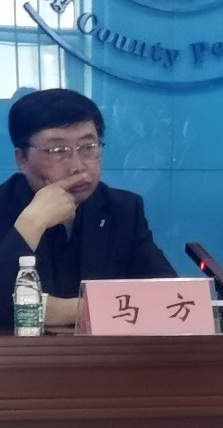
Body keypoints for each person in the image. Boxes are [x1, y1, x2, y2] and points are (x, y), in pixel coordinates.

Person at [1, 88, 176, 328]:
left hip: (104, 352)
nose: (78, 166)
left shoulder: (122, 210)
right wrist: (32, 222)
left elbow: (170, 298)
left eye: (88, 147)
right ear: (22, 159)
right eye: (58, 151)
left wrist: (71, 310)